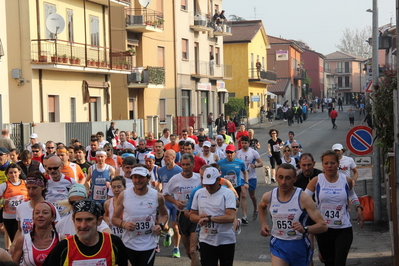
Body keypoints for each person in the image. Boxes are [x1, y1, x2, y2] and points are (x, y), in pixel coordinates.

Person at [258, 163, 328, 266]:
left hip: (299, 244)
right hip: (278, 243)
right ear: (276, 177)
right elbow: (261, 206)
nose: (283, 182)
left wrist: (305, 229)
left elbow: (323, 226)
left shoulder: (303, 198)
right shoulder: (269, 196)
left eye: (288, 178)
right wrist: (264, 224)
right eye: (280, 177)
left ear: (294, 179)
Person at [305, 150, 364, 266]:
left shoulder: (346, 180)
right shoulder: (316, 180)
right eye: (326, 163)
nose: (329, 166)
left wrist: (359, 208)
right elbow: (303, 199)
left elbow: (352, 195)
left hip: (343, 228)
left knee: (339, 262)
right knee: (328, 262)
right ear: (322, 165)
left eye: (332, 163)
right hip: (324, 229)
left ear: (338, 164)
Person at [112, 165, 168, 266]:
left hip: (149, 244)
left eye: (141, 177)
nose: (138, 180)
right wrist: (124, 225)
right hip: (128, 244)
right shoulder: (124, 195)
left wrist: (161, 225)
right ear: (131, 179)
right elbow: (114, 219)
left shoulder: (157, 196)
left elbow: (164, 215)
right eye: (135, 177)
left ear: (148, 179)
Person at [44, 199, 128, 266]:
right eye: (79, 220)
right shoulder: (64, 247)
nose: (83, 225)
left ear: (99, 221)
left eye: (89, 219)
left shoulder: (113, 243)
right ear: (73, 221)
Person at [190, 167, 237, 266]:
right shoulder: (199, 193)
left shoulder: (228, 193)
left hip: (225, 239)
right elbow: (192, 216)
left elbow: (230, 217)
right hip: (206, 239)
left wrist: (210, 218)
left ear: (219, 180)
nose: (208, 187)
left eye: (211, 184)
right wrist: (200, 218)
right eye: (206, 184)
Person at [163, 154, 201, 264]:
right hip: (181, 215)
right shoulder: (175, 179)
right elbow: (165, 194)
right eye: (183, 165)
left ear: (193, 165)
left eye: (188, 164)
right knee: (188, 250)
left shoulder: (199, 178)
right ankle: (198, 261)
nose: (185, 167)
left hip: (195, 214)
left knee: (193, 249)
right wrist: (175, 202)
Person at [12, 201, 59, 265]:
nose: (40, 215)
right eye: (37, 213)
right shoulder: (22, 240)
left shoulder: (61, 239)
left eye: (45, 213)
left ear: (53, 218)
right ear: (33, 218)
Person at [157, 149, 182, 254]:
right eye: (164, 156)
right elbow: (160, 183)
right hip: (165, 201)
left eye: (167, 156)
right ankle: (167, 232)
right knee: (162, 224)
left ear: (173, 158)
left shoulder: (180, 170)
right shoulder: (161, 170)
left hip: (176, 203)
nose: (164, 158)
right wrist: (158, 192)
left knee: (176, 227)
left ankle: (176, 248)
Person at [217, 145, 249, 224]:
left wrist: (246, 182)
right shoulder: (220, 163)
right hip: (223, 187)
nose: (229, 154)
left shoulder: (240, 162)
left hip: (235, 187)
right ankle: (229, 219)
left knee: (235, 203)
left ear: (235, 153)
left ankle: (235, 219)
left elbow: (245, 172)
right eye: (227, 152)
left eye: (231, 152)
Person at [236, 136, 263, 221]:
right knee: (243, 195)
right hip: (241, 177)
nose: (243, 144)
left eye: (245, 143)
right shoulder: (238, 153)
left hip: (251, 177)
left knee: (252, 196)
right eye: (242, 143)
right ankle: (244, 216)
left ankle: (255, 209)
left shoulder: (253, 152)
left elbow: (261, 163)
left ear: (249, 143)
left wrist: (255, 165)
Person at [0, 163, 28, 243]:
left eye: (15, 172)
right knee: (13, 240)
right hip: (9, 216)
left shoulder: (26, 183)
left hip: (23, 215)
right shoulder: (4, 185)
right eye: (11, 173)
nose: (13, 175)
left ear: (19, 172)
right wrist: (3, 201)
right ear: (7, 174)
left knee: (20, 239)